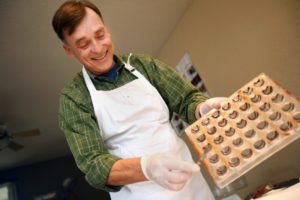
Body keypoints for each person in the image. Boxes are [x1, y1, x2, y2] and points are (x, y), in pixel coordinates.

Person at [52, 1, 225, 199]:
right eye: (83, 44)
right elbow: (93, 165)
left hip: (192, 190)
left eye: (100, 35)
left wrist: (202, 109)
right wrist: (146, 167)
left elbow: (186, 100)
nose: (98, 48)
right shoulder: (74, 98)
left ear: (107, 29)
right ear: (69, 50)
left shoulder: (143, 65)